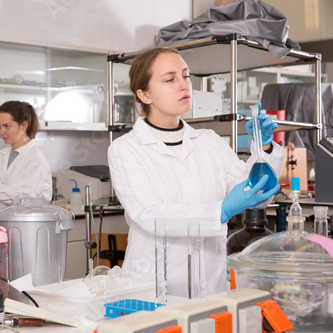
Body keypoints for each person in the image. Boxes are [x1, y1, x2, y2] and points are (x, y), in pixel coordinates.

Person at [107, 48, 284, 298]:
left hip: (211, 283)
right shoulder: (126, 149)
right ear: (144, 94)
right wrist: (220, 210)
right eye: (170, 79)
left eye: (186, 76)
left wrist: (262, 146)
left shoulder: (209, 141)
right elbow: (149, 214)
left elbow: (258, 193)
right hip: (155, 285)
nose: (184, 85)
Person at [0, 101, 52, 210]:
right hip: (2, 221)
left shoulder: (35, 157)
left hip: (25, 224)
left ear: (24, 126)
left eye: (7, 126)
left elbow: (25, 200)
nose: (1, 132)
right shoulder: (1, 155)